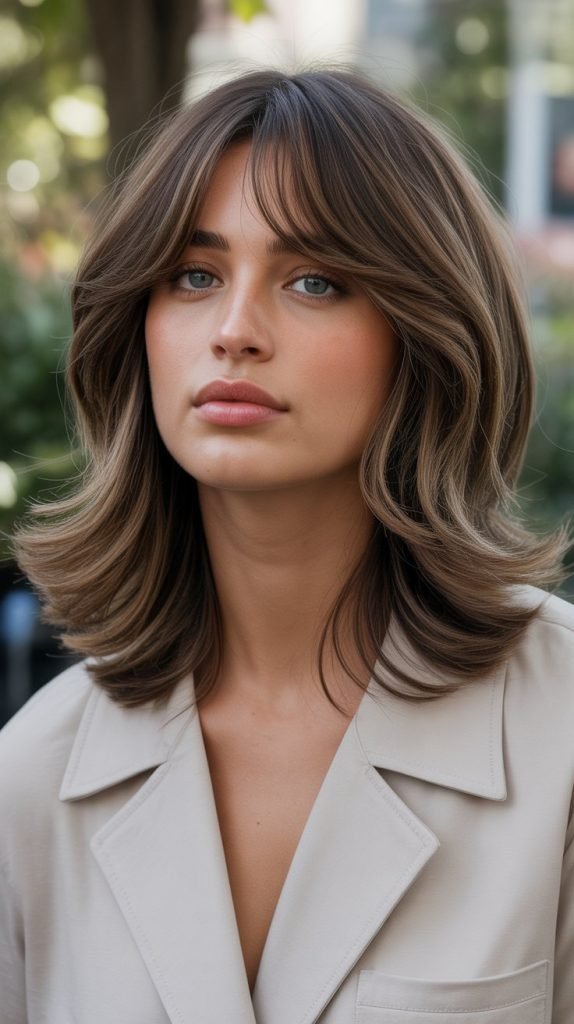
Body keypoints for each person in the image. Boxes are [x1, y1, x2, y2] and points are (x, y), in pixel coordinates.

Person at [0, 67, 572, 1024]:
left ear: (425, 334)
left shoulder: (563, 733)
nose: (233, 331)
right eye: (194, 275)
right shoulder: (34, 776)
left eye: (315, 281)